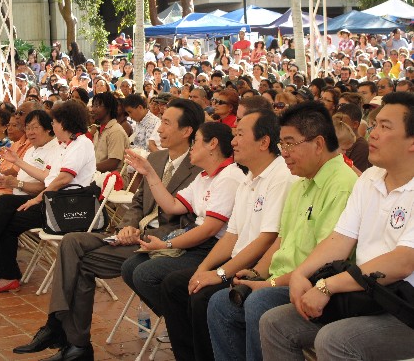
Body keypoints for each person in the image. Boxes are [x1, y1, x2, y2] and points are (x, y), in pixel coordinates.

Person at [12, 99, 204, 361]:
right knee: (71, 242)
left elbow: (192, 221)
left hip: (161, 245)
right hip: (133, 235)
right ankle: (61, 330)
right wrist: (128, 226)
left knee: (79, 264)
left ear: (187, 131)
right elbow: (137, 203)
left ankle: (73, 342)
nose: (159, 129)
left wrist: (145, 235)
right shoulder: (157, 158)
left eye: (167, 123)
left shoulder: (200, 166)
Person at [260, 91, 414, 361]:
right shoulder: (370, 179)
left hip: (405, 308)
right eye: (375, 124)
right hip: (370, 298)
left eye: (385, 127)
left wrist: (326, 286)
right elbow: (339, 239)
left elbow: (403, 262)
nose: (373, 133)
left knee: (335, 341)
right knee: (275, 323)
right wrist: (301, 274)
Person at [207, 101, 358, 361]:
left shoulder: (342, 185)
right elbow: (281, 240)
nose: (284, 153)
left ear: (318, 144)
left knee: (258, 303)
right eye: (282, 144)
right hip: (282, 279)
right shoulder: (301, 182)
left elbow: (327, 263)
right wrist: (257, 274)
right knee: (220, 304)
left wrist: (268, 284)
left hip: (315, 286)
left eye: (289, 144)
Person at [160, 109, 295, 361]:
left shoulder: (281, 177)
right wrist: (203, 269)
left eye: (240, 135)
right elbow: (232, 234)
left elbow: (267, 239)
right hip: (236, 259)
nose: (232, 142)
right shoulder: (248, 178)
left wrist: (220, 273)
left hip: (256, 266)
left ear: (264, 142)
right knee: (177, 285)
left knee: (203, 298)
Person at [0, 100, 95, 293]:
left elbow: (62, 180)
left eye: (54, 123)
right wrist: (18, 161)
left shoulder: (81, 144)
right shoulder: (66, 146)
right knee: (4, 202)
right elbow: (47, 176)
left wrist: (36, 199)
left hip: (65, 207)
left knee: (6, 222)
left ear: (64, 123)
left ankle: (5, 273)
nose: (53, 126)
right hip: (53, 201)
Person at [121, 122, 246, 317]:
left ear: (212, 144)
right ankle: (180, 320)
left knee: (145, 274)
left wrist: (166, 244)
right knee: (130, 267)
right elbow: (171, 205)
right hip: (196, 240)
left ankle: (183, 323)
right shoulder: (203, 177)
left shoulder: (228, 177)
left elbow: (209, 230)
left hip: (214, 247)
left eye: (195, 141)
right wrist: (149, 172)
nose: (191, 147)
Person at [91, 92, 129, 172]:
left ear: (108, 108)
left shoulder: (116, 131)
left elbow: (113, 163)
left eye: (97, 106)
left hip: (112, 180)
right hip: (97, 176)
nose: (93, 109)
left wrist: (88, 169)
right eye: (93, 106)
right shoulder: (98, 130)